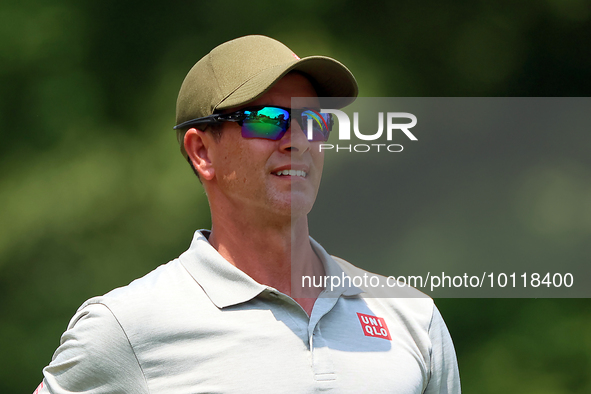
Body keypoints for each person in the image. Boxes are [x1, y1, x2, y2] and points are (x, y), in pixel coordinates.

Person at [35, 35, 460, 393]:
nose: (298, 140)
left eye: (313, 120)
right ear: (202, 151)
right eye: (267, 119)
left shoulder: (410, 317)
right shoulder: (127, 328)